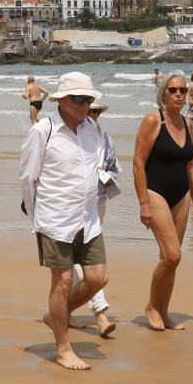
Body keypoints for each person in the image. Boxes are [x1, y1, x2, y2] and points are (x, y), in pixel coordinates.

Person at [19, 71, 108, 370]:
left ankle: (56, 314)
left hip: (88, 218)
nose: (85, 104)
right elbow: (28, 178)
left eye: (89, 99)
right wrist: (38, 219)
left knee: (97, 278)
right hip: (55, 219)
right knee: (63, 281)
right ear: (62, 100)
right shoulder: (43, 131)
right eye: (78, 99)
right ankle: (63, 348)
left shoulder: (93, 129)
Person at [133, 72, 193, 332]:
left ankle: (163, 312)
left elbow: (191, 164)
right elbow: (138, 163)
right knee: (173, 255)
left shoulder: (186, 122)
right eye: (173, 90)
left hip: (181, 195)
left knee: (169, 258)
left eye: (183, 91)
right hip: (156, 193)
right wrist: (143, 203)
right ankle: (152, 306)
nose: (178, 94)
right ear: (163, 94)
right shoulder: (154, 121)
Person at [69, 100, 119, 338]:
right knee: (82, 258)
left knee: (78, 256)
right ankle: (100, 312)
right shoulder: (65, 135)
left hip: (98, 201)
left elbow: (112, 166)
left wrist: (101, 173)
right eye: (90, 110)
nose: (93, 115)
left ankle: (63, 309)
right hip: (70, 203)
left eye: (96, 111)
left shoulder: (105, 137)